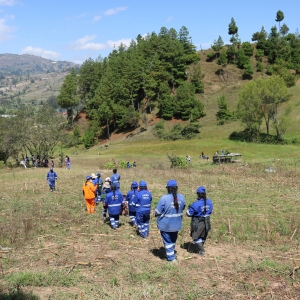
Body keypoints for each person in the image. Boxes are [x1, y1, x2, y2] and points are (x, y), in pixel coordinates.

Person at [155, 180, 186, 263]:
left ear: (168, 189)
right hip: (177, 224)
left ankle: (171, 258)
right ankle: (170, 253)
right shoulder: (182, 197)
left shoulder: (164, 198)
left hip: (166, 225)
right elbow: (183, 207)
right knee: (172, 240)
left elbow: (157, 212)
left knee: (167, 241)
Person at [186, 186, 213, 256]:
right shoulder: (209, 202)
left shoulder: (195, 204)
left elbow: (188, 214)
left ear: (198, 194)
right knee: (203, 236)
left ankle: (202, 251)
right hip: (207, 222)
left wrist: (189, 208)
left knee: (195, 237)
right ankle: (200, 248)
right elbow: (210, 211)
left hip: (198, 222)